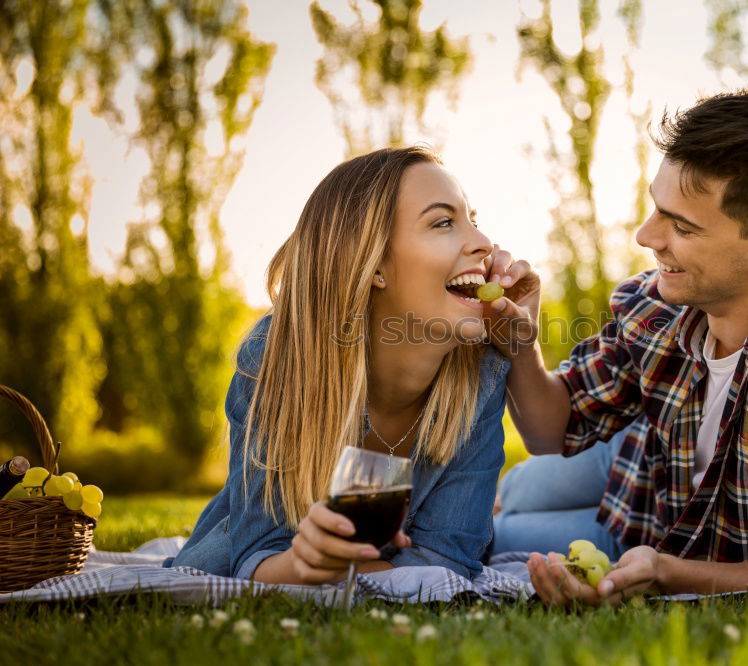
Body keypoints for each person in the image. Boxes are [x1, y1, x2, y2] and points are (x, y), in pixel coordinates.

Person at [484, 89, 748, 605]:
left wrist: (666, 572)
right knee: (518, 490)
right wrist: (520, 343)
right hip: (643, 470)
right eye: (656, 209)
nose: (647, 237)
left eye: (682, 226)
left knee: (490, 538)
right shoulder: (658, 304)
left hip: (656, 532)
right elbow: (550, 427)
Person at [166, 146, 515, 584]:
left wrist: (356, 571)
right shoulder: (278, 357)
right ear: (375, 266)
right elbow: (255, 557)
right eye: (444, 222)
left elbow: (450, 558)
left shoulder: (482, 373)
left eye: (473, 219)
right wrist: (304, 563)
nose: (483, 242)